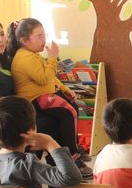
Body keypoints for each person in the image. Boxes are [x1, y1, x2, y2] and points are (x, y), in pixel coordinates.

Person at [7, 18, 90, 179]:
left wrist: (65, 89)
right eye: (39, 37)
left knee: (73, 106)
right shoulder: (25, 57)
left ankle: (72, 148)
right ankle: (72, 154)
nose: (43, 40)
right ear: (24, 40)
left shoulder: (32, 55)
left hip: (45, 96)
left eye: (44, 35)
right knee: (68, 112)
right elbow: (44, 78)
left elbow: (50, 78)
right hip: (34, 100)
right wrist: (53, 57)